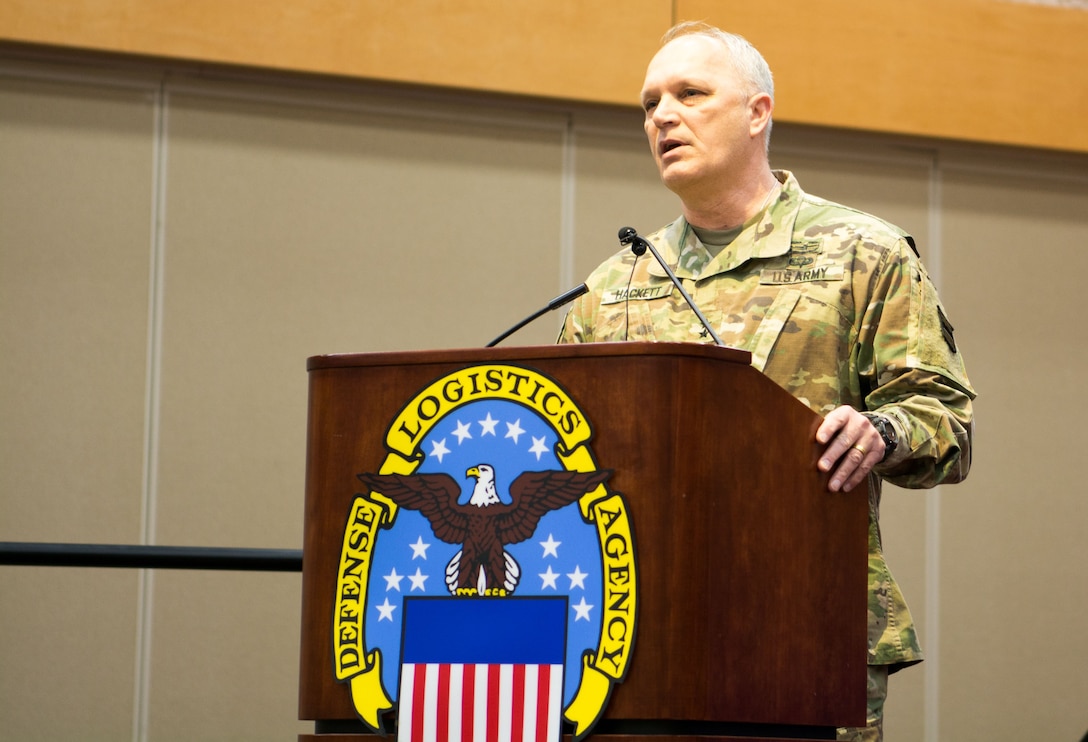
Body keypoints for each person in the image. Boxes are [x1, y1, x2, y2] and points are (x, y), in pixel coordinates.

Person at [558, 21, 975, 742]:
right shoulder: (612, 286)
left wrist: (879, 430)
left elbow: (948, 424)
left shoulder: (860, 253)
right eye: (650, 102)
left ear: (758, 113)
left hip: (800, 633)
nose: (662, 115)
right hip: (629, 644)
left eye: (690, 93)